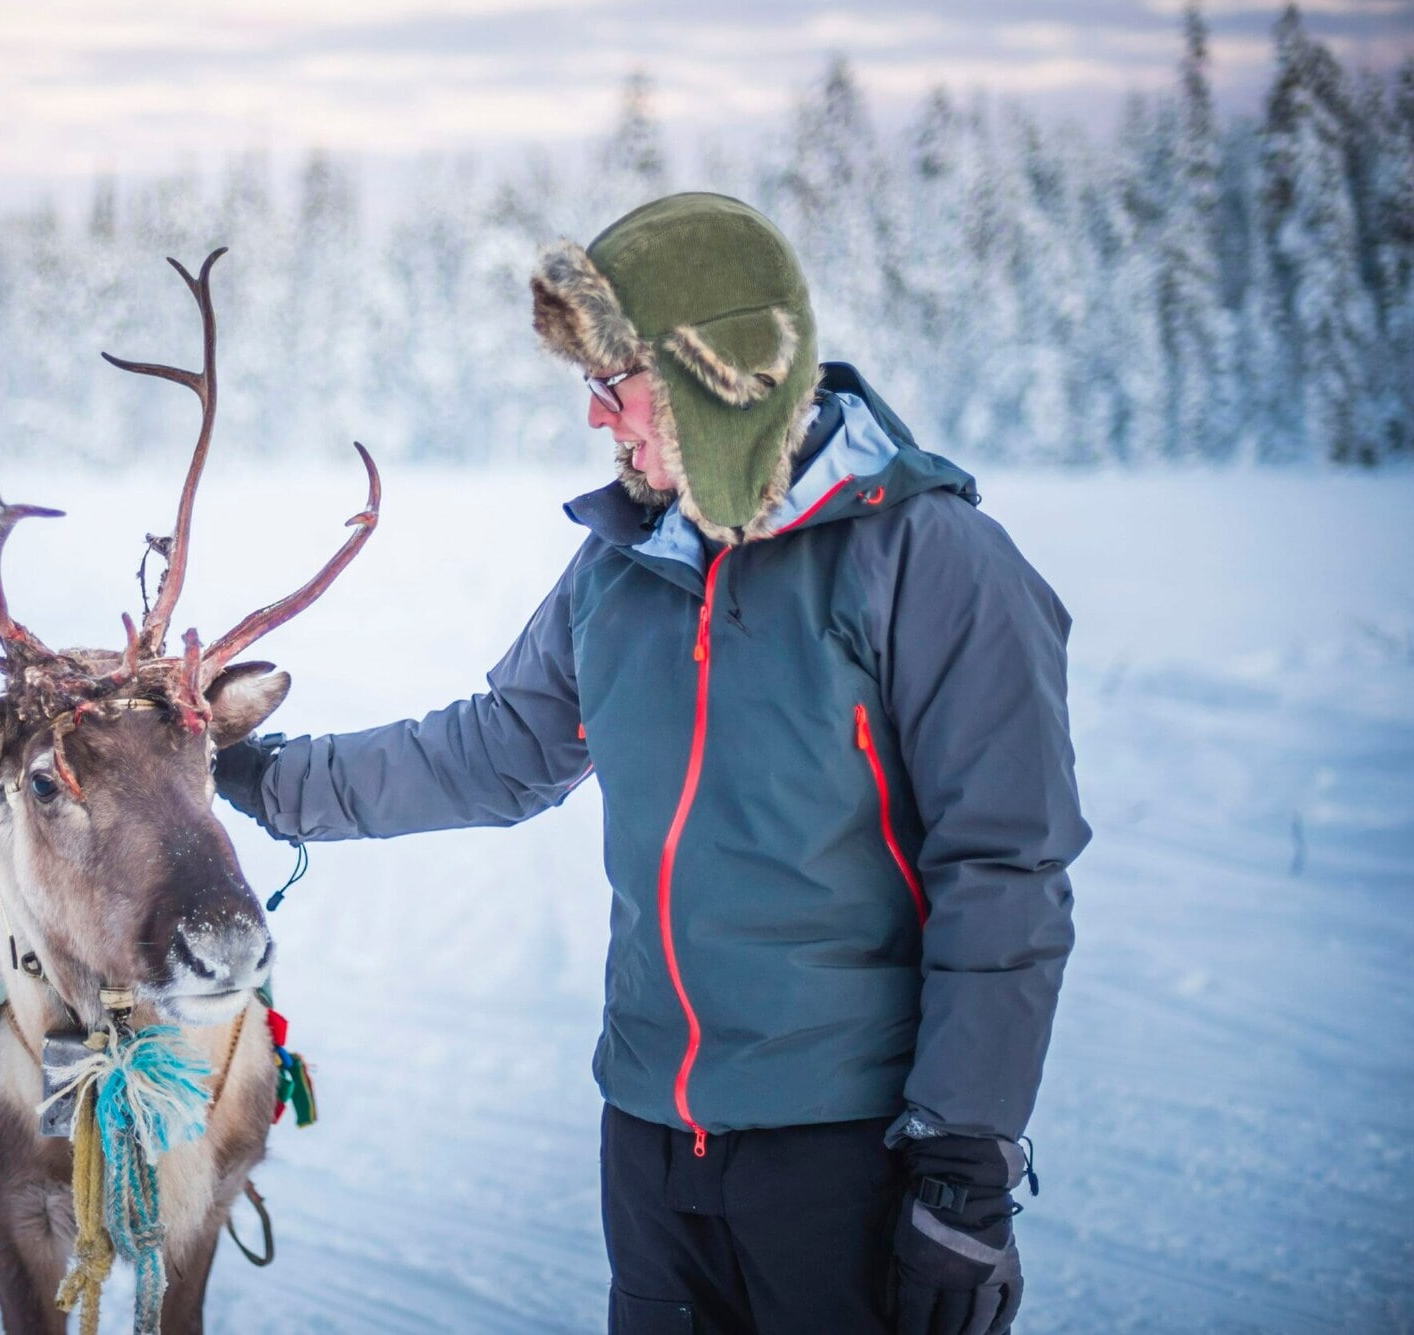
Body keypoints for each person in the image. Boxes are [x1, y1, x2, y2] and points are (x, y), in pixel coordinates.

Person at [215, 192, 1087, 1335]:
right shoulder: (619, 565)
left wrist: (962, 1158)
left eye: (611, 382)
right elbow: (500, 748)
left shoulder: (929, 560)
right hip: (649, 1139)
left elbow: (1005, 866)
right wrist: (261, 780)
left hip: (849, 1151)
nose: (593, 419)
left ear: (717, 368)